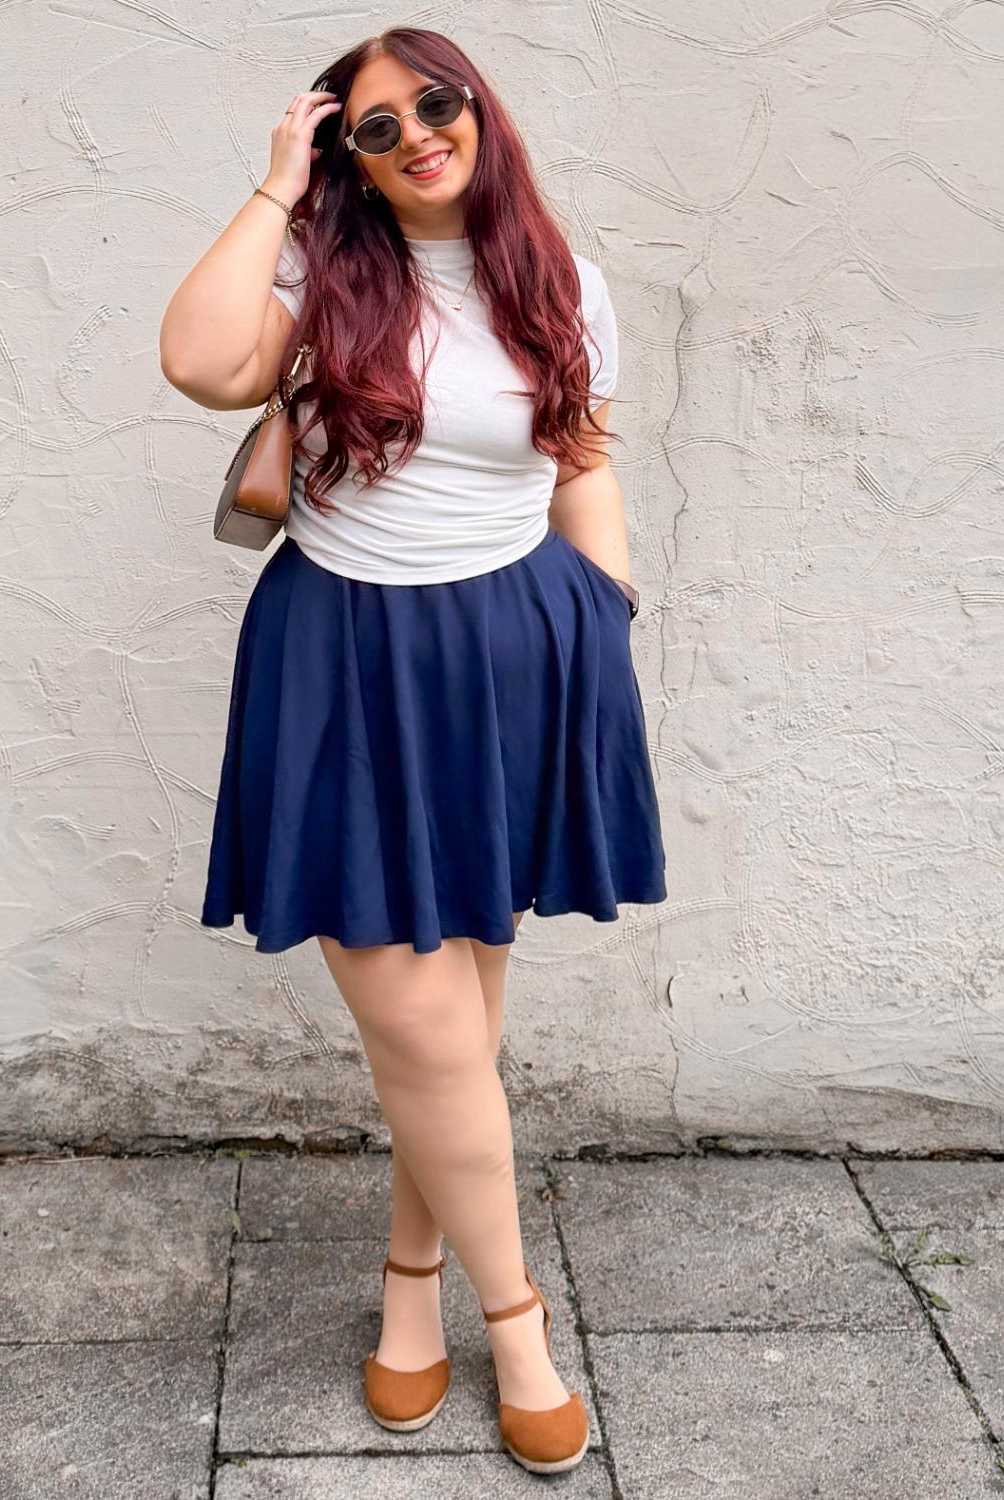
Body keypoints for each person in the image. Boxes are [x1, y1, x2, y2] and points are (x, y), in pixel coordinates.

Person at [159, 26, 666, 1477]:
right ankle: (519, 1330)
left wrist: (608, 618)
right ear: (346, 157)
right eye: (372, 128)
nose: (417, 135)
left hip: (509, 663)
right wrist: (275, 188)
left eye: (433, 105)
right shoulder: (320, 275)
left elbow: (584, 457)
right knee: (432, 1034)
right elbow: (199, 363)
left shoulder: (563, 285)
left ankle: (407, 1300)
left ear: (477, 111)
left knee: (453, 1046)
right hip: (343, 666)